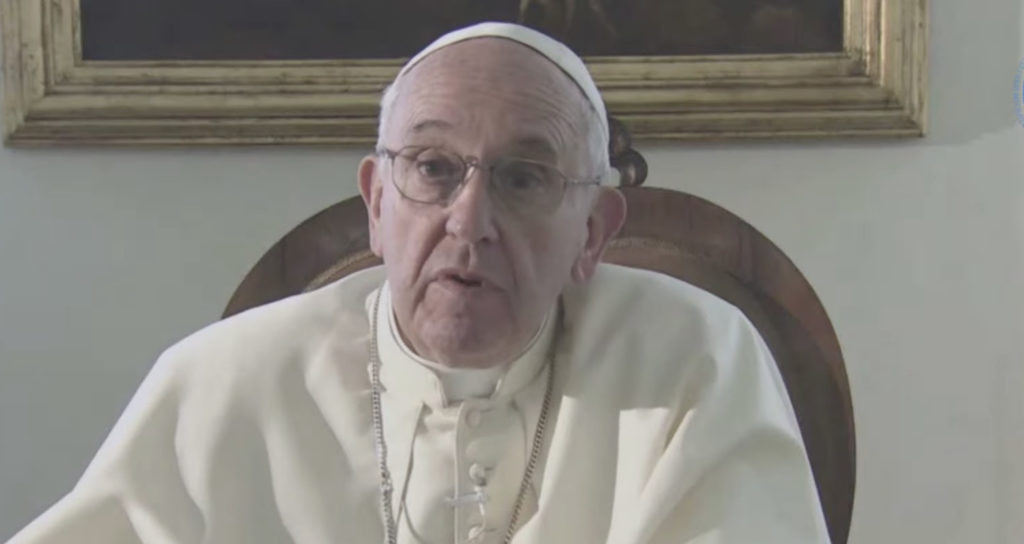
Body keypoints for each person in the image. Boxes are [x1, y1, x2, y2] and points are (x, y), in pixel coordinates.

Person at [8, 22, 830, 544]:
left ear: (592, 233)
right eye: (434, 168)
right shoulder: (222, 383)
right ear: (376, 203)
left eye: (523, 177)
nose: (469, 223)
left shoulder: (694, 362)